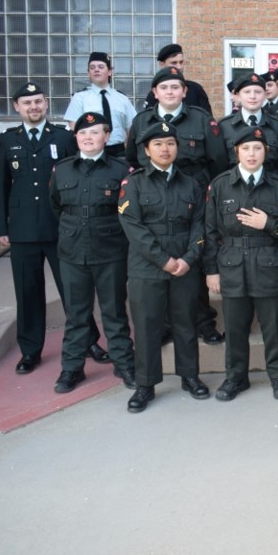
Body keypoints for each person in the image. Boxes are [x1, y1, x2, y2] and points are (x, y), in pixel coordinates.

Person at [0, 82, 106, 375]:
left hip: (61, 227)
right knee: (27, 292)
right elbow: (2, 185)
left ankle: (89, 342)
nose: (33, 107)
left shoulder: (62, 136)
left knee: (74, 292)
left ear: (46, 104)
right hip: (21, 231)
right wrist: (1, 226)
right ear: (17, 107)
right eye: (27, 102)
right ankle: (30, 350)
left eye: (38, 102)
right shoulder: (8, 140)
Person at [125, 66, 228, 344]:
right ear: (154, 92)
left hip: (193, 199)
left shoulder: (202, 120)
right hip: (153, 201)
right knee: (159, 262)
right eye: (164, 88)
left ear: (184, 91)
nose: (170, 92)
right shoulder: (142, 120)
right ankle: (167, 324)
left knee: (193, 258)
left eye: (175, 87)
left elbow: (218, 161)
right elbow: (132, 159)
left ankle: (203, 321)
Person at [118, 121, 210, 412]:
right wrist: (164, 261)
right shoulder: (133, 184)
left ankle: (190, 376)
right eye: (158, 144)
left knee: (185, 323)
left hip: (184, 265)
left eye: (170, 143)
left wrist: (187, 259)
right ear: (146, 150)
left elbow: (200, 226)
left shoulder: (191, 184)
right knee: (147, 326)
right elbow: (133, 227)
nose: (165, 148)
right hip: (147, 267)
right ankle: (145, 384)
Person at [204, 126, 278, 401]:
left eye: (257, 148)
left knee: (273, 327)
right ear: (236, 152)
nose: (252, 153)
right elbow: (209, 230)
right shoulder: (220, 185)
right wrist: (211, 271)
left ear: (266, 152)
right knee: (234, 327)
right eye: (246, 148)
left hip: (268, 262)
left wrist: (269, 224)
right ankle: (236, 378)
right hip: (231, 264)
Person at [49, 113, 135, 393]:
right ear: (76, 137)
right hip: (73, 252)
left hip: (110, 250)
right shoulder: (62, 170)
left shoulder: (120, 170)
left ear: (107, 137)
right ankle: (72, 369)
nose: (88, 138)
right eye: (83, 133)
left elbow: (128, 212)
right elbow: (56, 207)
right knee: (76, 315)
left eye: (95, 133)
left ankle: (123, 363)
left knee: (114, 312)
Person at [64, 52, 137, 157]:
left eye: (101, 67)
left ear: (110, 72)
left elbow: (132, 129)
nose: (96, 70)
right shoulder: (79, 98)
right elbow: (73, 130)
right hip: (91, 152)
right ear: (88, 73)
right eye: (92, 68)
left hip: (119, 152)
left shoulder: (122, 99)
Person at [219, 73, 278, 172]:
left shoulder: (277, 125)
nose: (253, 96)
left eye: (258, 92)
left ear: (264, 95)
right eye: (247, 92)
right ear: (238, 96)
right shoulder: (224, 126)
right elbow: (219, 166)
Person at [142, 43, 212, 115]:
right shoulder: (156, 93)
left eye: (181, 62)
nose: (179, 67)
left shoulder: (196, 89)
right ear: (162, 65)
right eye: (174, 63)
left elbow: (207, 119)